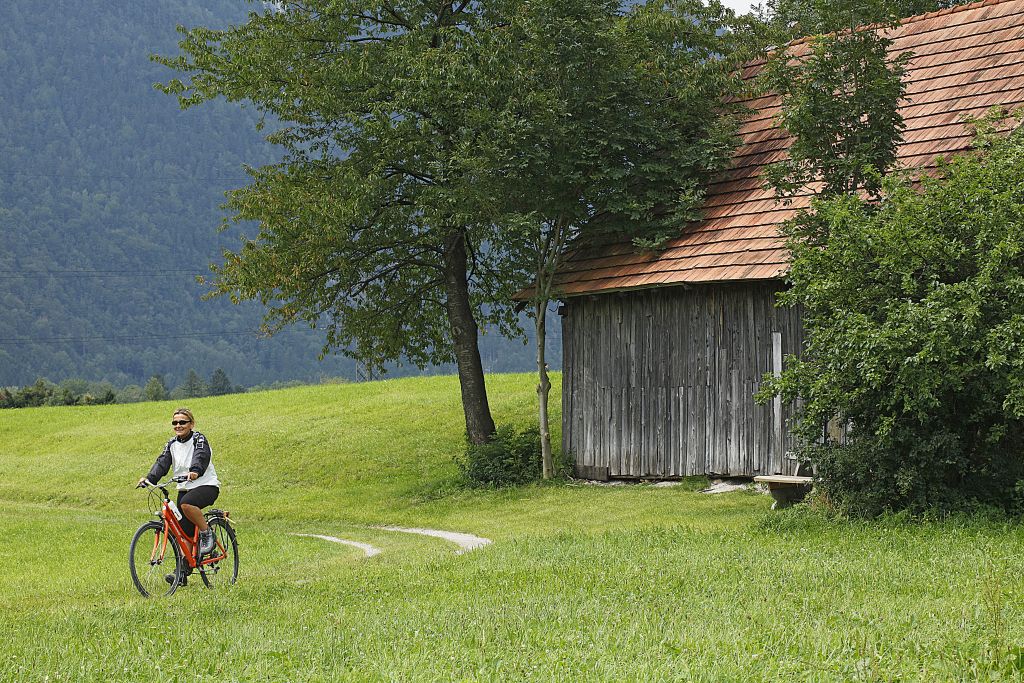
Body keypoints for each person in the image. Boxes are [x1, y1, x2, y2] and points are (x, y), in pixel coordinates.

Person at [137, 407, 221, 584]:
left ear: (191, 424)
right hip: (184, 488)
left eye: (182, 422)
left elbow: (201, 456)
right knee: (182, 531)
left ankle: (207, 533)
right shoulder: (171, 444)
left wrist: (195, 471)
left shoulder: (199, 439)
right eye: (175, 422)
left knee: (187, 504)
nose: (178, 425)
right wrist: (149, 479)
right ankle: (183, 571)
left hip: (205, 486)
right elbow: (162, 463)